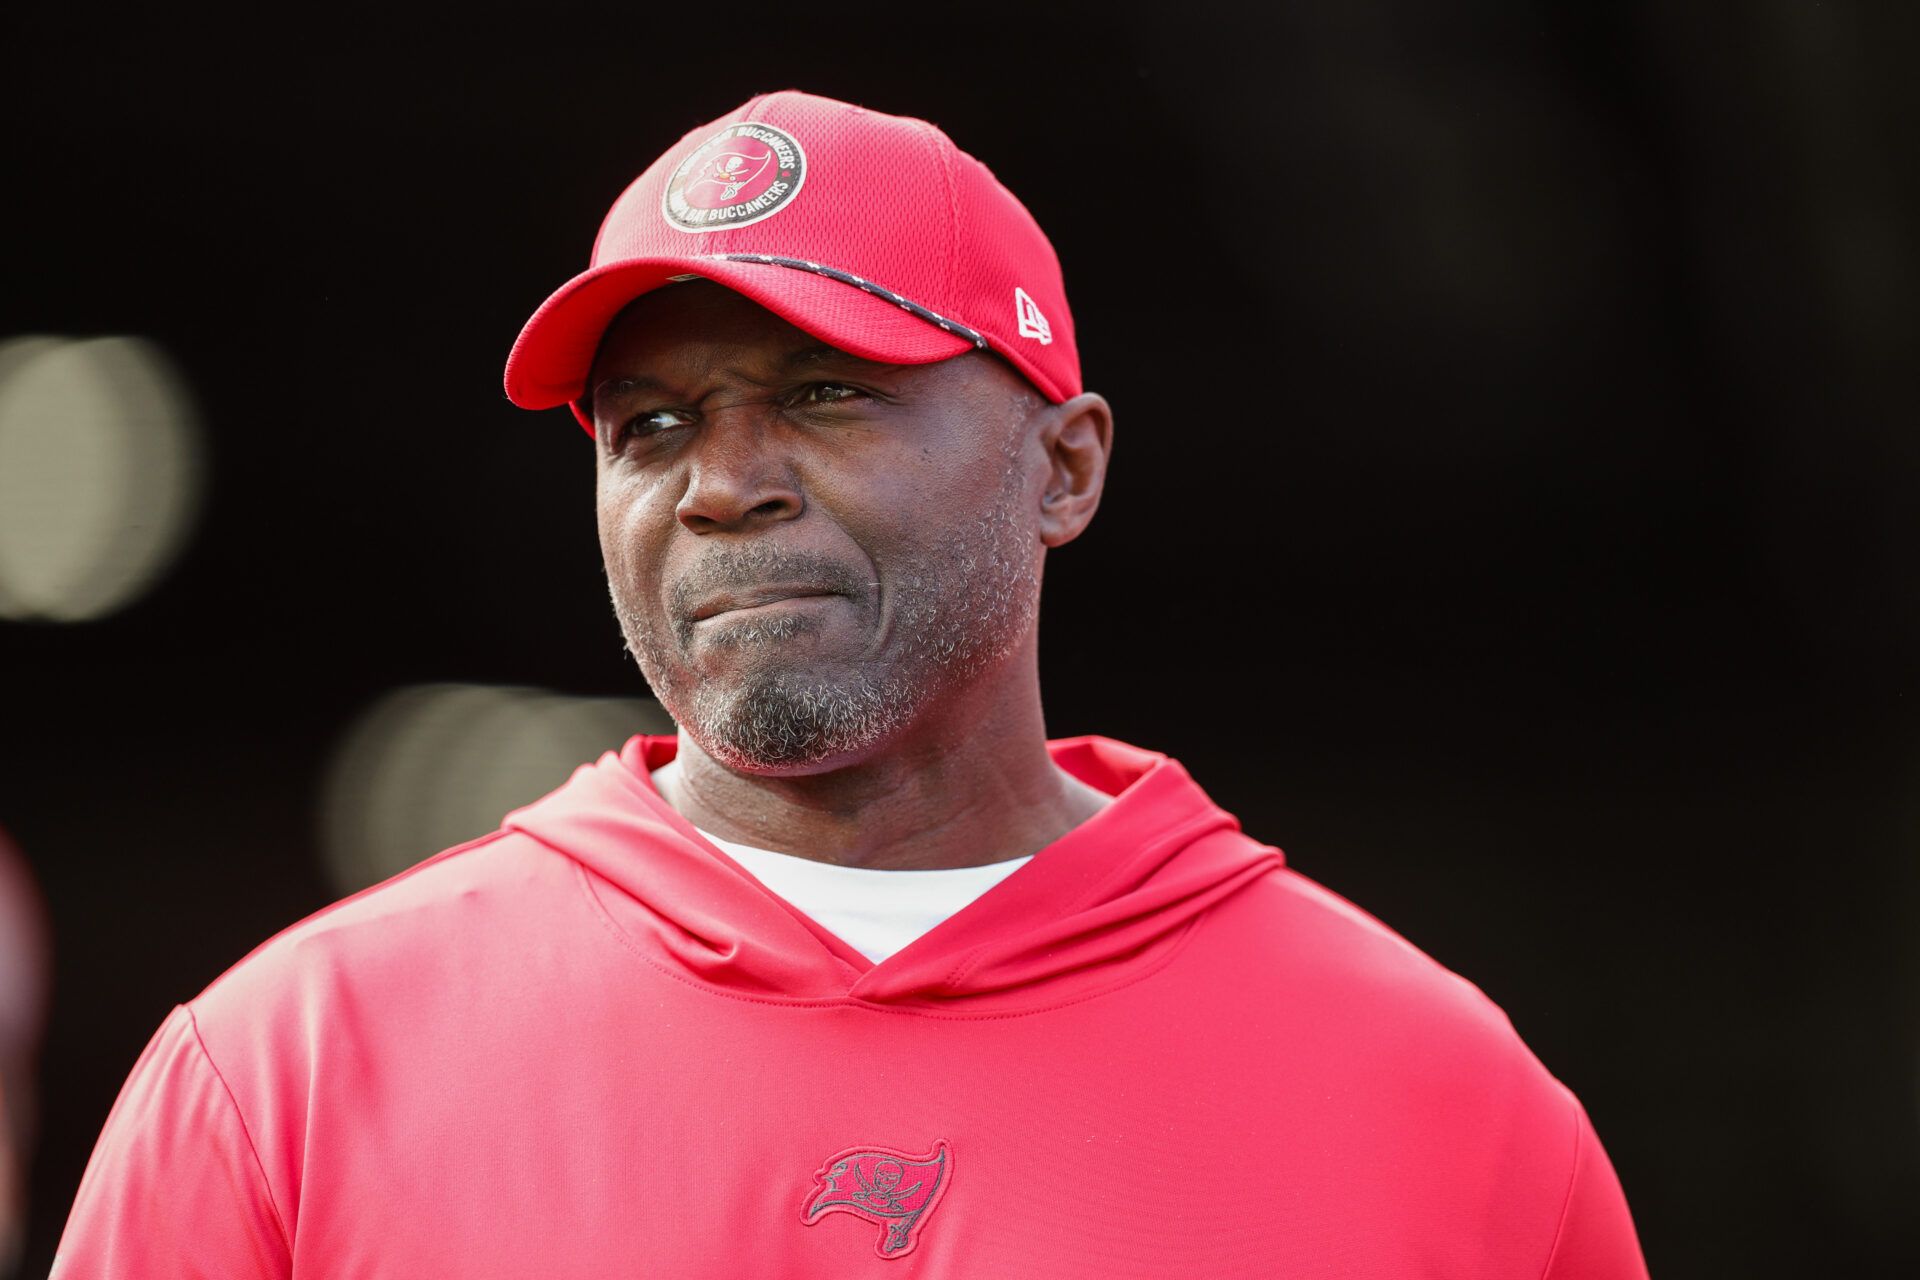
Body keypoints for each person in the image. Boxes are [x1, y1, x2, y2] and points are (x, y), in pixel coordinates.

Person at [54, 91, 1648, 1276]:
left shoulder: (1438, 1105)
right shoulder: (285, 1080)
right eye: (650, 427)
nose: (721, 484)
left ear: (1066, 466)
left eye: (824, 393)